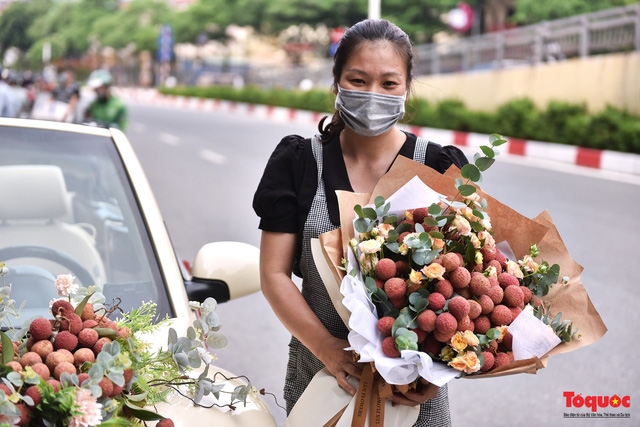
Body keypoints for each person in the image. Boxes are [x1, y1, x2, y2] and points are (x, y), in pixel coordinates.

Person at [253, 19, 468, 426]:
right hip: (322, 379)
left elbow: (464, 284)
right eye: (358, 79)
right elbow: (274, 274)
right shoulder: (299, 163)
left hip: (415, 396)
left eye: (389, 83)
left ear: (406, 88)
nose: (373, 95)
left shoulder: (438, 167)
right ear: (337, 83)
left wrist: (441, 371)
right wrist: (328, 348)